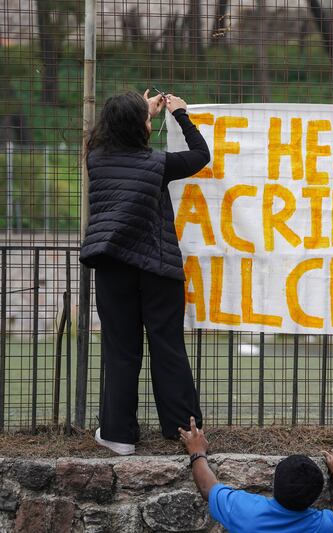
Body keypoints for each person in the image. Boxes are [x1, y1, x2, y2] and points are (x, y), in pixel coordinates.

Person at [80, 90, 209, 455]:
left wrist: (138, 110)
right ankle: (184, 430)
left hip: (112, 266)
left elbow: (98, 136)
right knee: (167, 347)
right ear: (142, 128)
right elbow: (201, 156)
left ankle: (119, 435)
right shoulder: (158, 163)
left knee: (121, 350)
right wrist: (181, 114)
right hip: (158, 268)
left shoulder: (96, 158)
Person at [179, 417, 333, 532]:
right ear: (315, 496)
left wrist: (196, 451)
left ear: (273, 482)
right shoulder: (321, 526)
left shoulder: (246, 512)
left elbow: (208, 489)